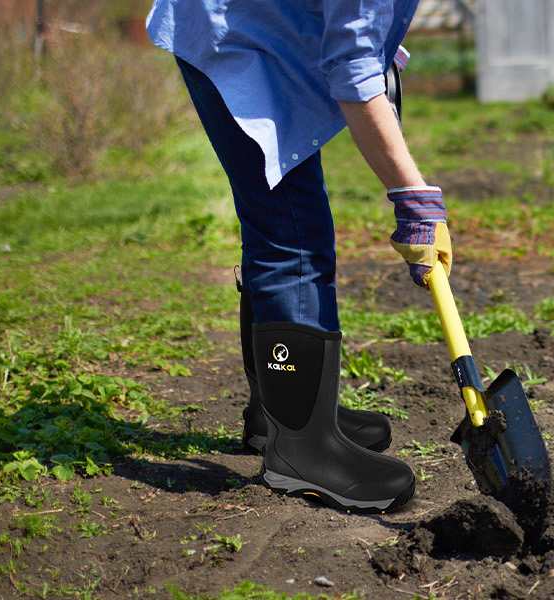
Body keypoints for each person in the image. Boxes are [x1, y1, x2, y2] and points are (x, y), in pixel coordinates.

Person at [146, 1, 452, 512]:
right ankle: (304, 449)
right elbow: (350, 67)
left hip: (250, 23)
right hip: (234, 36)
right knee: (291, 232)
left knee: (283, 218)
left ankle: (281, 413)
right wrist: (412, 198)